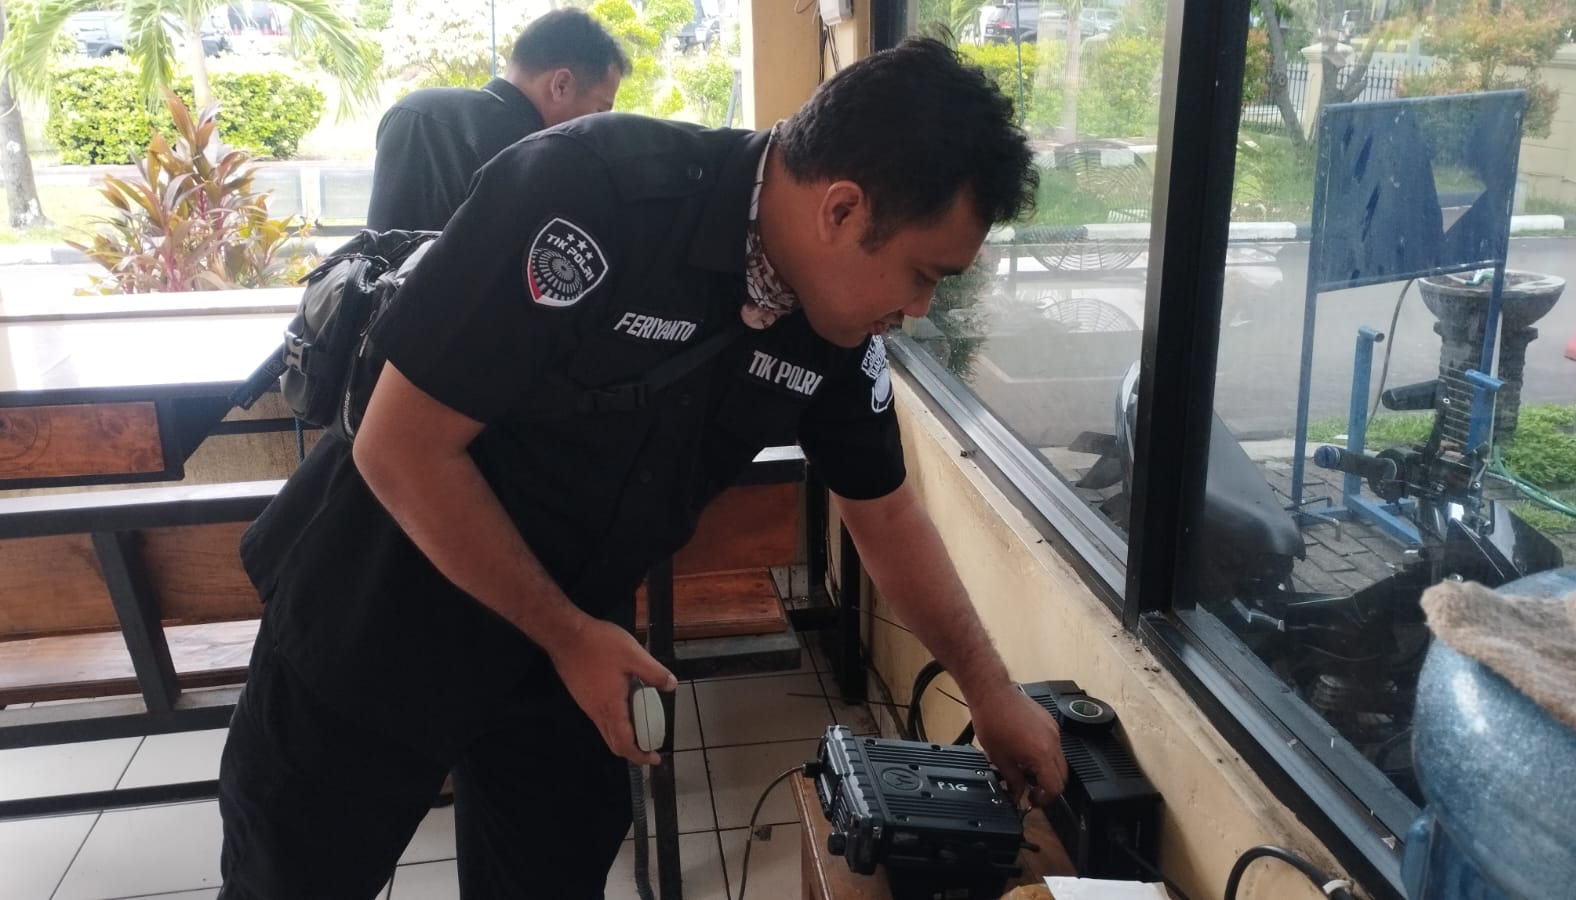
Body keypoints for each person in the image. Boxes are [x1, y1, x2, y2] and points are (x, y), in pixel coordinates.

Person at [219, 36, 1067, 900]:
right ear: (842, 210)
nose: (919, 309)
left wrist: (991, 692)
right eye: (921, 275)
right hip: (380, 610)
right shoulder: (591, 191)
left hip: (566, 651)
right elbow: (401, 446)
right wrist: (567, 634)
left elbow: (884, 512)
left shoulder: (838, 329)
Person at [364, 8, 629, 232]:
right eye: (600, 111)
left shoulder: (416, 110)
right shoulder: (545, 158)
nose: (599, 126)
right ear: (561, 85)